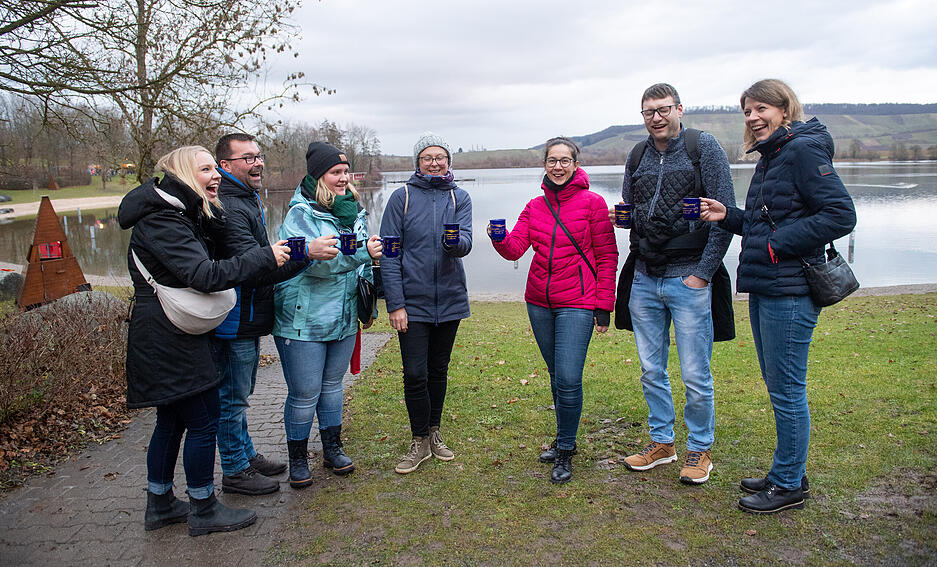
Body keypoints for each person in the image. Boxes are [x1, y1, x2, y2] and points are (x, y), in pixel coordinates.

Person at [699, 79, 856, 513]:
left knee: (787, 390)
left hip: (790, 291)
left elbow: (841, 214)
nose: (752, 117)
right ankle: (788, 470)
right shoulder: (775, 155)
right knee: (778, 386)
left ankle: (787, 485)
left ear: (785, 109)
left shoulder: (802, 150)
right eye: (747, 110)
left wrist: (779, 245)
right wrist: (727, 215)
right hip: (769, 287)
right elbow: (772, 219)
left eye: (761, 108)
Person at [118, 146, 290, 536]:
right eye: (207, 169)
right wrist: (267, 256)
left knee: (173, 421)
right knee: (203, 420)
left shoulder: (178, 214)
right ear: (182, 173)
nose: (216, 176)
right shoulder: (165, 220)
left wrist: (209, 210)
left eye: (216, 168)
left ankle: (160, 503)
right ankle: (203, 506)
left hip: (163, 333)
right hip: (169, 338)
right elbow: (205, 275)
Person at [616, 83, 736, 485]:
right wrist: (627, 223)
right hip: (646, 277)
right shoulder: (637, 154)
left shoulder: (705, 148)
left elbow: (724, 216)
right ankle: (662, 443)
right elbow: (630, 209)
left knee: (695, 374)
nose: (656, 117)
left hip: (688, 278)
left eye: (663, 109)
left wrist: (702, 272)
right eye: (648, 111)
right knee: (651, 370)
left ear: (679, 109)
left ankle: (699, 449)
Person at [211, 133, 340, 496]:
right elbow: (255, 269)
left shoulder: (246, 199)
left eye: (259, 155)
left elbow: (262, 259)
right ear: (226, 166)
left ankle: (246, 454)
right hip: (234, 318)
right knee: (233, 397)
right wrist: (306, 254)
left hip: (248, 316)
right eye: (247, 158)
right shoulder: (230, 207)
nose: (258, 163)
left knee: (242, 391)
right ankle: (235, 469)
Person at [490, 137, 618, 484]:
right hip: (539, 302)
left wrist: (604, 305)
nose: (558, 166)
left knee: (568, 378)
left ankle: (565, 447)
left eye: (565, 160)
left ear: (576, 165)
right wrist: (498, 237)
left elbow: (607, 257)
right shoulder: (535, 206)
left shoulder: (593, 204)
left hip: (577, 301)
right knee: (554, 375)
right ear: (544, 165)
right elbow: (516, 249)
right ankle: (563, 437)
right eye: (552, 161)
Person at [273, 142, 382, 488]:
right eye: (336, 172)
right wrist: (364, 253)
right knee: (305, 393)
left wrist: (367, 303)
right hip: (303, 319)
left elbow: (359, 266)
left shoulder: (352, 211)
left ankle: (333, 448)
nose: (343, 178)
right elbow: (317, 266)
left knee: (333, 386)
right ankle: (298, 458)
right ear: (319, 176)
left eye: (345, 171)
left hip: (344, 317)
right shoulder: (300, 215)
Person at [379, 133, 472, 475]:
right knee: (415, 373)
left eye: (441, 157)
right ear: (417, 162)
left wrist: (455, 242)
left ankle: (434, 432)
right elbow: (389, 255)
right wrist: (395, 304)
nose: (435, 163)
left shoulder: (459, 196)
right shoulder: (400, 197)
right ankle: (418, 439)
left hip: (449, 300)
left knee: (438, 370)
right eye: (427, 157)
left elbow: (467, 241)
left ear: (449, 162)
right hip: (412, 303)